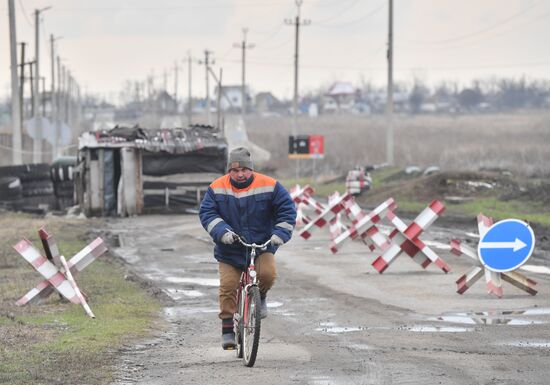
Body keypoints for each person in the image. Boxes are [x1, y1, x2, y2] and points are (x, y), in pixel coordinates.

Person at [199, 147, 296, 350]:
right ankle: (227, 328)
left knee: (267, 274)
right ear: (229, 171)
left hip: (262, 246)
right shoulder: (217, 188)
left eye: (244, 169)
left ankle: (260, 296)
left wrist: (279, 234)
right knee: (228, 286)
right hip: (230, 249)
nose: (240, 174)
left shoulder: (270, 185)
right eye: (235, 170)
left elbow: (287, 210)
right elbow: (207, 213)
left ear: (251, 169)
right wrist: (222, 232)